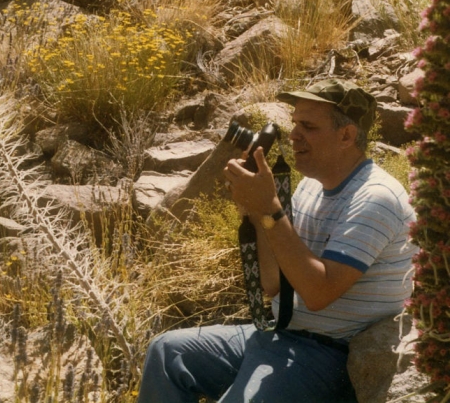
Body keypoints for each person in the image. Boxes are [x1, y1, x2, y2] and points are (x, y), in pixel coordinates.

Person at [136, 79, 417, 403]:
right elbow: (274, 285)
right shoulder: (311, 186)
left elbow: (317, 292)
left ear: (346, 135)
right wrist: (257, 212)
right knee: (167, 354)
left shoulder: (375, 198)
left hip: (327, 354)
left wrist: (270, 208)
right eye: (295, 123)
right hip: (279, 333)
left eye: (308, 126)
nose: (294, 134)